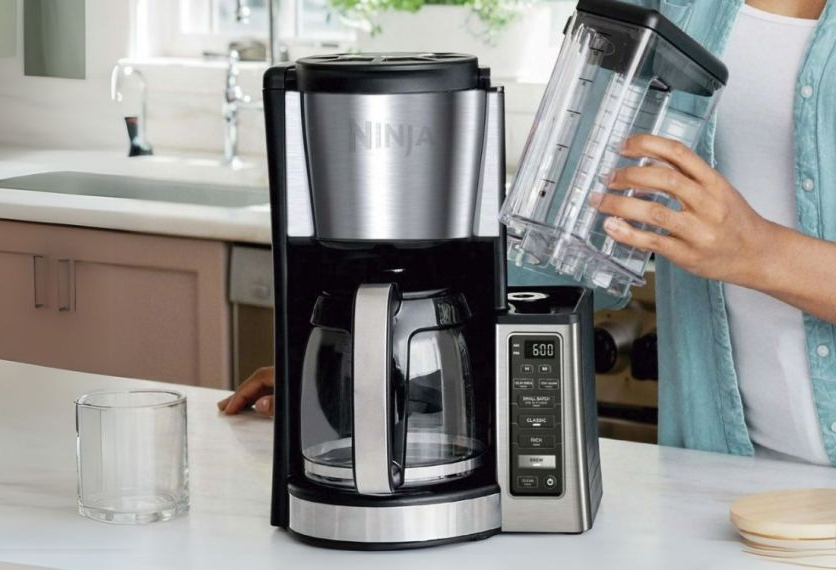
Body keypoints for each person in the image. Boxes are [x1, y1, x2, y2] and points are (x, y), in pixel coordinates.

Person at [223, 0, 836, 467]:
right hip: (717, 471)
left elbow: (742, 244)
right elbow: (573, 234)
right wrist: (366, 354)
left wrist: (756, 251)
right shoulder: (676, 8)